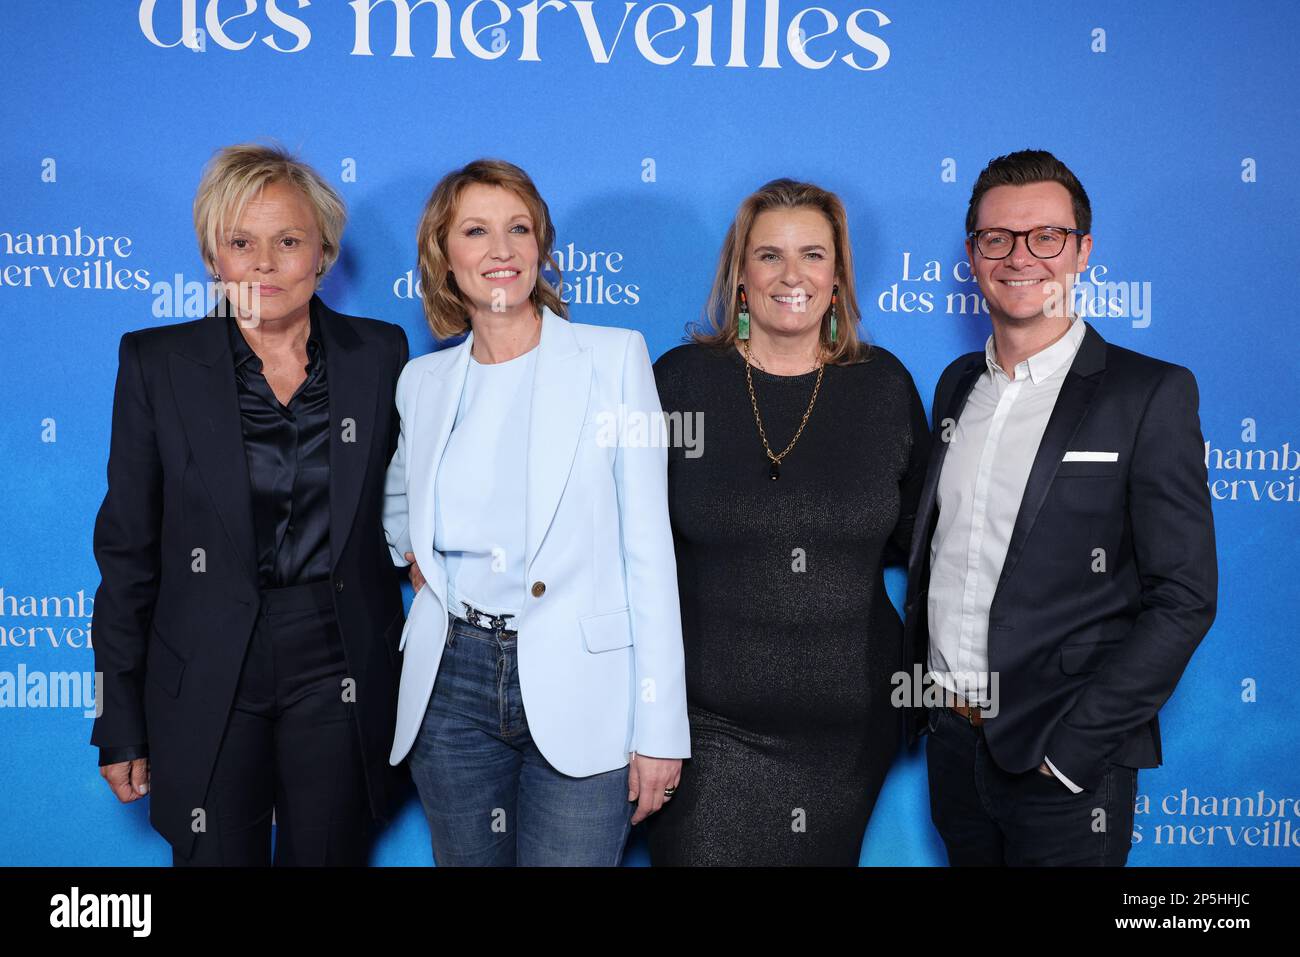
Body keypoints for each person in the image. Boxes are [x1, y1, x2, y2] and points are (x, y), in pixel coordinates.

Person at [91, 143, 410, 866]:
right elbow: (126, 551)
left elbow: (417, 496)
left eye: (288, 241)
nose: (263, 264)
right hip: (206, 659)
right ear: (213, 255)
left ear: (322, 254)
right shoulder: (156, 362)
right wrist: (119, 717)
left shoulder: (379, 355)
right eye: (242, 242)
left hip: (338, 662)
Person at [904, 149, 1217, 866]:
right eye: (998, 238)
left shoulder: (1149, 395)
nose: (1022, 257)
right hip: (953, 748)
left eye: (1046, 236)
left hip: (1066, 766)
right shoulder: (957, 386)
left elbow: (1187, 595)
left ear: (1082, 251)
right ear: (973, 254)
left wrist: (1074, 752)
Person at [385, 158, 689, 866]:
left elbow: (648, 551)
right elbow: (402, 496)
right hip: (452, 683)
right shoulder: (421, 380)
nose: (501, 249)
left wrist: (660, 726)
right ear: (444, 255)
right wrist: (418, 564)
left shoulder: (614, 360)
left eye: (519, 228)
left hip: (584, 685)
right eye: (477, 231)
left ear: (541, 247)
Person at [645, 178, 930, 865]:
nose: (792, 274)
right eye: (769, 255)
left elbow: (929, 543)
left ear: (838, 278)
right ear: (740, 277)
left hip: (847, 735)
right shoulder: (681, 382)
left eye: (813, 254)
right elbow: (627, 545)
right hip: (706, 728)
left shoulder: (884, 387)